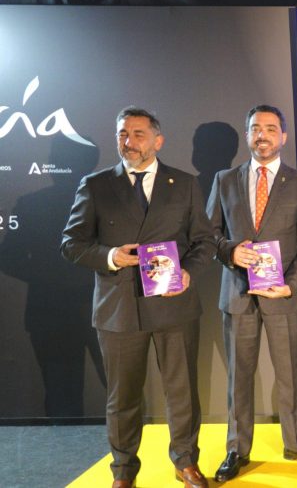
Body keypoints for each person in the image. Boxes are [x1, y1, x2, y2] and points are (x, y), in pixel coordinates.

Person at [60, 107, 215, 488]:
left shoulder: (185, 183)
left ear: (158, 141)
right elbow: (72, 244)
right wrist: (112, 256)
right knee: (123, 397)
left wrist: (188, 272)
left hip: (174, 305)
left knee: (182, 392)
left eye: (138, 134)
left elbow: (204, 241)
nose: (129, 142)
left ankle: (186, 462)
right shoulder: (95, 185)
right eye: (122, 134)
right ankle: (124, 469)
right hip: (119, 308)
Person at [206, 105, 297, 482]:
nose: (263, 135)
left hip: (284, 295)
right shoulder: (224, 180)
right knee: (239, 378)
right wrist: (229, 252)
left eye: (271, 128)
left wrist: (291, 284)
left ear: (283, 136)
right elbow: (208, 234)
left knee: (290, 374)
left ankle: (296, 443)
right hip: (237, 294)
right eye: (256, 128)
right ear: (247, 135)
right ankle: (236, 449)